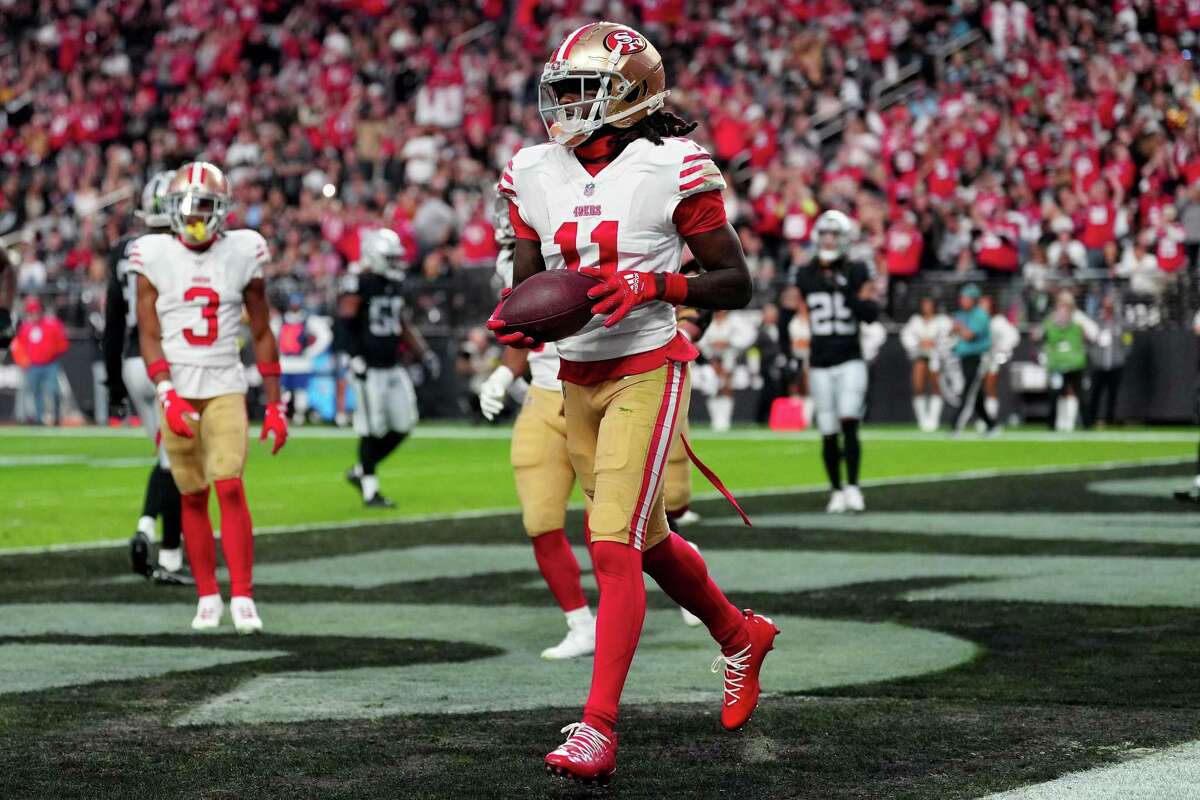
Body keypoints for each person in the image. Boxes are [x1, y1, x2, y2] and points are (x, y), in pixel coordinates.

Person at [487, 22, 776, 784]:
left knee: (610, 545)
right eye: (562, 90)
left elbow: (735, 282)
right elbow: (526, 280)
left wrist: (655, 284)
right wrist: (512, 320)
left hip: (647, 364)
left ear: (631, 94)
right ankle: (740, 634)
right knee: (644, 544)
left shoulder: (673, 165)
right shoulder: (531, 170)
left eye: (583, 90)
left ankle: (597, 727)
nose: (565, 106)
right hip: (573, 375)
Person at [131, 161, 289, 633]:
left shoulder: (243, 250)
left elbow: (261, 331)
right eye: (187, 207)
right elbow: (149, 333)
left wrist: (277, 403)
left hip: (224, 383)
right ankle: (206, 596)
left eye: (205, 207)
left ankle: (242, 595)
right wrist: (165, 392)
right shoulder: (152, 253)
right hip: (177, 388)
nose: (195, 217)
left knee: (230, 485)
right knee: (191, 494)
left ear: (222, 211)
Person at [477, 195, 595, 660]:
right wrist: (506, 372)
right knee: (540, 518)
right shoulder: (510, 261)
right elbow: (522, 327)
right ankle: (581, 623)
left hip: (593, 388)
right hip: (544, 393)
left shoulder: (578, 243)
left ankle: (676, 584)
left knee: (612, 523)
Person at [103, 169, 191, 585]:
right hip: (165, 357)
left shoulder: (122, 248)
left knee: (169, 456)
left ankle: (161, 541)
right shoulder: (175, 246)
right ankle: (160, 542)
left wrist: (114, 385)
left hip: (131, 361)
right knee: (175, 459)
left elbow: (112, 323)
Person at [340, 227, 440, 508]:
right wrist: (354, 356)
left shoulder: (394, 284)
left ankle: (361, 470)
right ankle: (371, 490)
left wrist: (424, 353)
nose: (396, 263)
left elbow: (401, 323)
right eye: (391, 257)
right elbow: (345, 322)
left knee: (405, 424)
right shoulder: (357, 283)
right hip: (368, 367)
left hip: (392, 365)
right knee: (371, 429)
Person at [795, 210, 880, 513]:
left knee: (849, 421)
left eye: (834, 235)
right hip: (819, 360)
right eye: (825, 234)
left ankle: (854, 486)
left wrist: (847, 290)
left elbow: (871, 313)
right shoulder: (805, 273)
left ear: (844, 239)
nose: (829, 240)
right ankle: (836, 489)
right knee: (828, 429)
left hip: (849, 357)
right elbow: (792, 310)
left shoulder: (857, 270)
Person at [1039, 290, 1093, 432]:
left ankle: (1084, 423)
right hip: (1057, 364)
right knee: (1055, 394)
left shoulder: (1078, 322)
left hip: (1075, 364)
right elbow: (1038, 335)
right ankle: (1054, 424)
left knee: (1078, 394)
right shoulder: (1050, 323)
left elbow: (1093, 334)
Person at [275, 292, 333, 425]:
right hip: (285, 362)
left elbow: (325, 336)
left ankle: (298, 415)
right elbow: (271, 336)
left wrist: (311, 351)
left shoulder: (309, 320)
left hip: (301, 362)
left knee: (301, 390)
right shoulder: (280, 320)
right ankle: (284, 414)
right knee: (283, 390)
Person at [951, 284, 997, 435]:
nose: (962, 300)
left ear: (973, 299)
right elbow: (952, 333)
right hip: (964, 357)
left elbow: (969, 335)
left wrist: (959, 328)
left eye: (965, 298)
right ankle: (991, 425)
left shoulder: (980, 315)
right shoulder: (961, 314)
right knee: (976, 394)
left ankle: (956, 424)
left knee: (969, 391)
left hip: (978, 357)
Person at [15, 295, 69, 425]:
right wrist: (23, 361)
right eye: (31, 312)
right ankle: (39, 419)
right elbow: (18, 346)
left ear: (41, 311)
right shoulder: (25, 328)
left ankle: (56, 417)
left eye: (36, 311)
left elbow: (63, 343)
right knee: (36, 393)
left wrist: (52, 354)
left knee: (54, 390)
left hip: (50, 364)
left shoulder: (53, 324)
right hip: (33, 366)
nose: (34, 315)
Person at [900, 296, 951, 432]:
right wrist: (919, 343)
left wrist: (936, 344)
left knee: (936, 386)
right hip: (920, 356)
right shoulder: (915, 321)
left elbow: (949, 337)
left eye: (929, 304)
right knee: (918, 386)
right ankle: (922, 419)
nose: (926, 307)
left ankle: (933, 419)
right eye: (924, 304)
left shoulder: (942, 321)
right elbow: (906, 337)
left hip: (936, 357)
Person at [1087, 294, 1128, 428]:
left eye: (1110, 305)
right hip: (1099, 363)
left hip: (1115, 363)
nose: (1108, 308)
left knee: (1113, 394)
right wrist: (1094, 356)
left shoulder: (1120, 322)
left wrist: (1123, 356)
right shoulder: (1096, 322)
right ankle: (1091, 419)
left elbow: (1128, 340)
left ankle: (1110, 419)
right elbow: (1089, 341)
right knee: (1095, 393)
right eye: (1106, 305)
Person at [981, 295, 1020, 428]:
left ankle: (990, 418)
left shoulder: (998, 321)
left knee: (990, 387)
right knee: (982, 389)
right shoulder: (977, 320)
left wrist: (1002, 350)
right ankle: (985, 417)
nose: (983, 307)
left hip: (993, 359)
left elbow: (1013, 335)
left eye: (985, 305)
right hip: (979, 359)